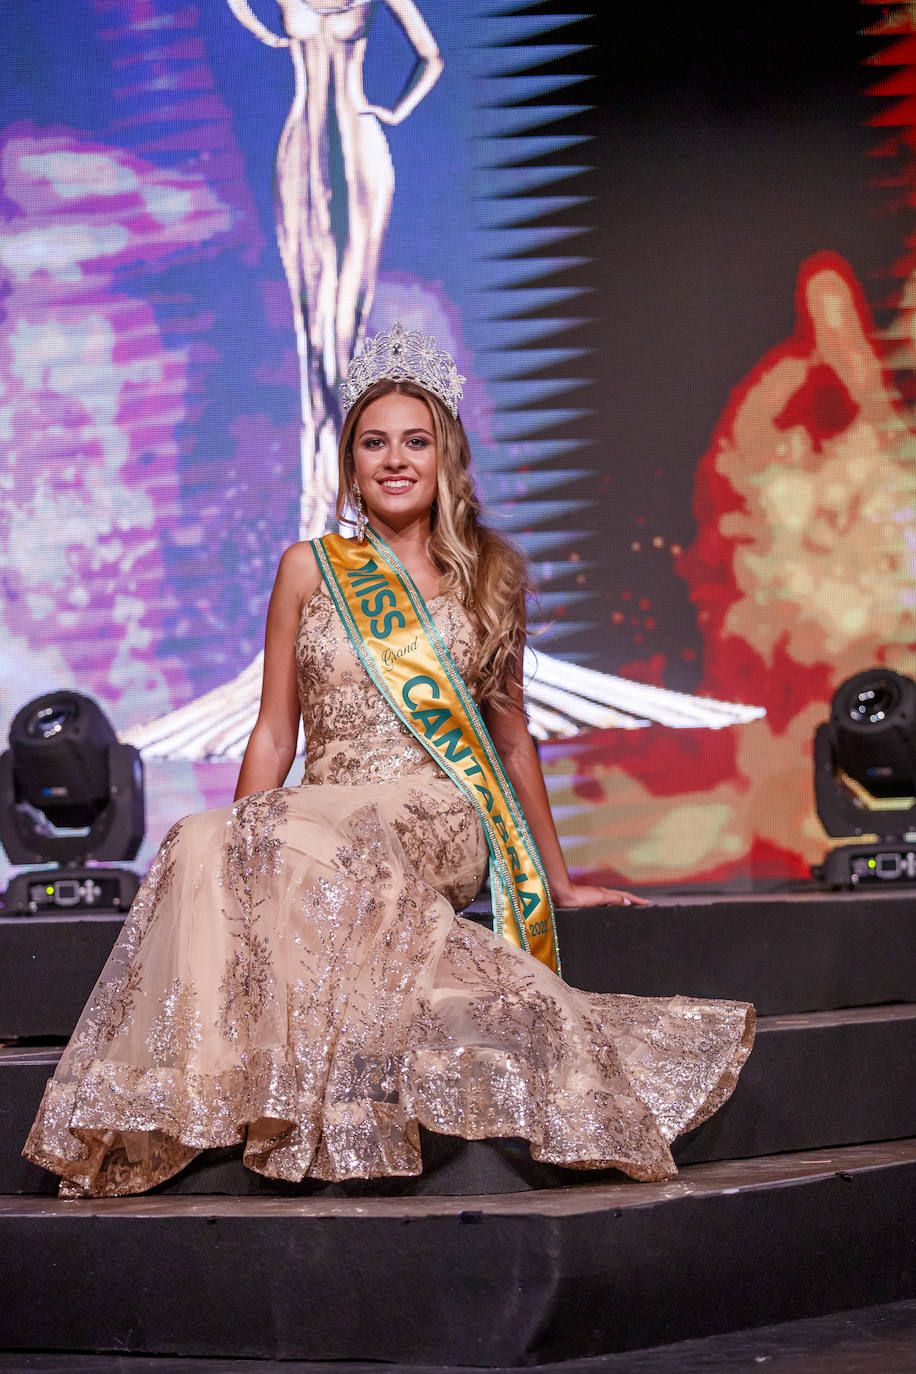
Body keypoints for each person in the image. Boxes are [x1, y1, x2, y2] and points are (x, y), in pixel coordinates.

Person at [24, 324, 755, 1197]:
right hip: (323, 809)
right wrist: (241, 845)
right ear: (351, 463)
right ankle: (211, 1090)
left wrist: (560, 883)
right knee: (199, 837)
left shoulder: (491, 578)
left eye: (415, 442)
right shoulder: (309, 569)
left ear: (446, 458)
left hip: (439, 812)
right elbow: (272, 734)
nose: (395, 460)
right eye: (375, 443)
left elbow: (511, 739)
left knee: (324, 838)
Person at [227, 0, 443, 539]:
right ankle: (321, 510)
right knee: (312, 343)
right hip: (302, 152)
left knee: (345, 336)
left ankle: (347, 513)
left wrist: (392, 112)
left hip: (360, 156)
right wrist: (267, 34)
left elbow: (431, 57)